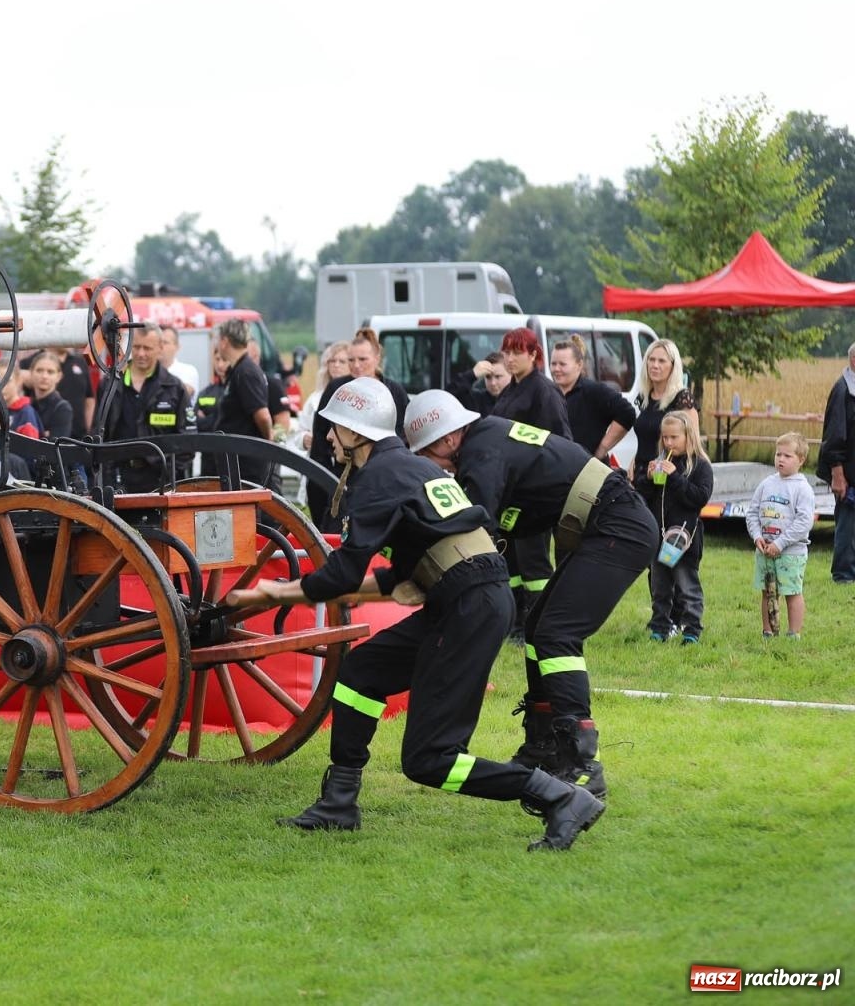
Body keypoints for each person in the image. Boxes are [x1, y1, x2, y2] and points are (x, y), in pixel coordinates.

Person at [226, 378, 604, 851]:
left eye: (335, 427)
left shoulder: (379, 476)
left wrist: (276, 594)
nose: (327, 437)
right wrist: (329, 594)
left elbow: (342, 570)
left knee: (429, 759)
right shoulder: (403, 468)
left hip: (470, 604)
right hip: (468, 595)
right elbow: (398, 576)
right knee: (362, 671)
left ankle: (558, 797)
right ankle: (339, 801)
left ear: (358, 433)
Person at [401, 390, 659, 801]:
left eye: (426, 456)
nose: (430, 468)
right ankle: (543, 747)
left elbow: (476, 525)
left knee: (556, 633)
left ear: (448, 440)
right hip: (610, 521)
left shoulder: (480, 453)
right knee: (539, 628)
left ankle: (581, 759)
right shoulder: (486, 440)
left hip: (618, 525)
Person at [490, 327, 573, 639]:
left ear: (534, 354)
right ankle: (514, 622)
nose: (510, 359)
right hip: (508, 491)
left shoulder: (544, 392)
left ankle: (537, 623)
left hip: (534, 493)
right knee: (509, 561)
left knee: (533, 564)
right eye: (507, 352)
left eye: (517, 352)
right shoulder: (511, 389)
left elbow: (561, 442)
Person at [305, 328, 410, 520]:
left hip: (383, 477)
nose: (356, 366)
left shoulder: (394, 391)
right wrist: (321, 481)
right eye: (351, 360)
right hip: (342, 476)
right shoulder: (338, 389)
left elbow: (404, 437)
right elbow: (320, 439)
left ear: (377, 357)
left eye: (363, 360)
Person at [634, 412, 713, 643]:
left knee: (687, 587)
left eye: (674, 437)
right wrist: (647, 479)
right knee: (660, 587)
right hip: (659, 537)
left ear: (689, 436)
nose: (668, 442)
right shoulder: (660, 461)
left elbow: (698, 498)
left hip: (684, 539)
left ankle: (692, 630)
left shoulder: (700, 466)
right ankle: (659, 626)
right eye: (665, 437)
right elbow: (643, 497)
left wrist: (676, 476)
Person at [97, 322, 193, 492]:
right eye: (137, 347)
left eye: (147, 348)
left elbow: (189, 440)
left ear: (160, 348)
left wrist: (169, 472)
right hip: (118, 480)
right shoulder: (110, 385)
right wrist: (105, 476)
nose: (141, 354)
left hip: (161, 482)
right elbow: (97, 434)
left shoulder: (175, 388)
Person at [748, 432, 817, 638]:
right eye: (778, 454)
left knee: (791, 592)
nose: (781, 459)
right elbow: (752, 513)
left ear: (801, 460)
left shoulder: (803, 489)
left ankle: (793, 634)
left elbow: (804, 522)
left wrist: (780, 543)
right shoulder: (766, 484)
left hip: (791, 553)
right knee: (767, 592)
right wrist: (757, 536)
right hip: (765, 551)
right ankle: (768, 631)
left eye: (787, 456)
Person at [551, 335, 636, 463]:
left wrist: (602, 449)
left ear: (579, 365)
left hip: (589, 471)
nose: (556, 369)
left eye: (562, 364)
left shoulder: (593, 391)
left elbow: (627, 412)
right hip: (560, 471)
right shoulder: (549, 393)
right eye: (553, 364)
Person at [215, 319, 277, 489]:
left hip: (247, 465)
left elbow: (263, 415)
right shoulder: (238, 370)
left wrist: (268, 440)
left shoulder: (246, 372)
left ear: (224, 341)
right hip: (238, 461)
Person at [817, 340, 855, 584]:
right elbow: (833, 437)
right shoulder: (843, 389)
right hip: (846, 471)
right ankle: (843, 574)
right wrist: (837, 474)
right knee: (847, 523)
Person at [632, 338, 696, 479]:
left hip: (666, 477)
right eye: (651, 359)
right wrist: (633, 461)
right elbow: (645, 438)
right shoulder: (645, 397)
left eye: (661, 361)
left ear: (673, 366)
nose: (655, 365)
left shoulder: (682, 399)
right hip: (641, 475)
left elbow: (693, 446)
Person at [23, 349, 75, 441]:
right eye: (39, 370)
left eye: (50, 372)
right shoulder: (25, 405)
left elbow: (54, 448)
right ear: (31, 372)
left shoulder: (62, 409)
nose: (44, 376)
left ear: (59, 376)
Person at [194, 348, 229, 436]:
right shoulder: (206, 392)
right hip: (209, 445)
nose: (220, 364)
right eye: (217, 359)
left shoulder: (237, 389)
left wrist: (209, 418)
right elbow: (196, 422)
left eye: (224, 359)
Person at [158, 325, 199, 397]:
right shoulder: (147, 371)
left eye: (165, 342)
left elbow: (182, 394)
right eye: (158, 342)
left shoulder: (188, 371)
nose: (161, 346)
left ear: (177, 346)